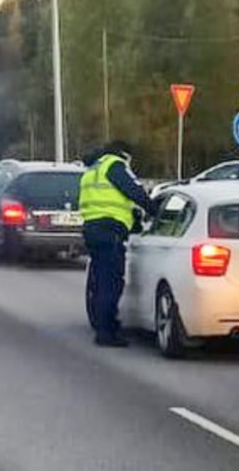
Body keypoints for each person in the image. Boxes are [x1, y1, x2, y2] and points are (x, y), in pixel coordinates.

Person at [79, 141, 156, 347]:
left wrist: (135, 221)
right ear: (125, 154)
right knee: (111, 283)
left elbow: (111, 200)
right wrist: (154, 209)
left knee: (100, 281)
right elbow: (134, 191)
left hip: (92, 229)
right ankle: (107, 332)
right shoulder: (115, 165)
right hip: (110, 231)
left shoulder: (93, 168)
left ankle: (101, 324)